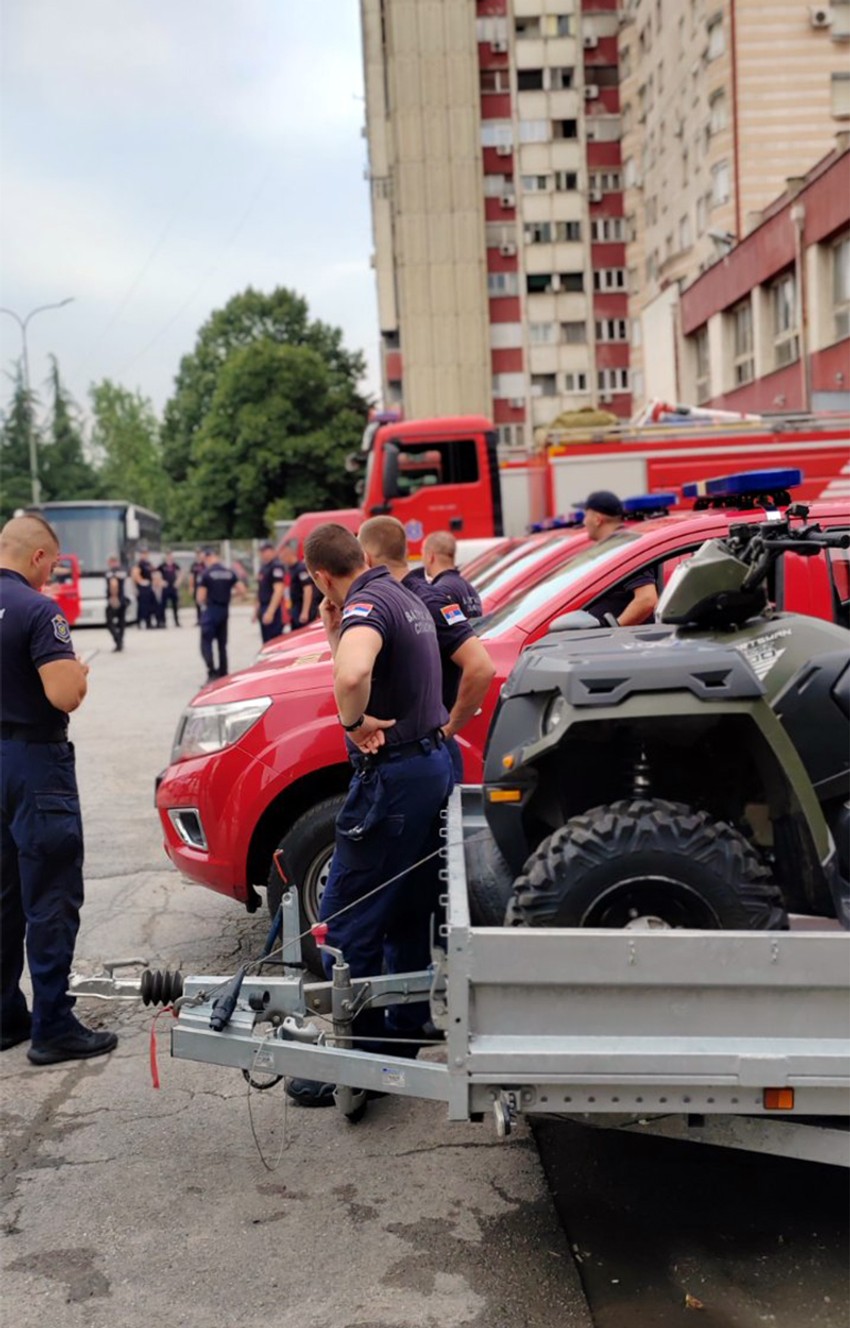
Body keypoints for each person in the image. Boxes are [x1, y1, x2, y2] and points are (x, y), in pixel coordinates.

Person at [285, 522, 454, 1108]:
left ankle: (346, 1068)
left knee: (344, 920)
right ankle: (392, 1053)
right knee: (405, 913)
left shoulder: (365, 604)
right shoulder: (405, 593)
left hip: (393, 779)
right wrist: (336, 636)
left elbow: (356, 675)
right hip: (429, 766)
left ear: (321, 576)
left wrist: (354, 725)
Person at [0, 514, 118, 1065]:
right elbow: (64, 695)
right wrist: (80, 675)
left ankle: (4, 1017)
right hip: (34, 762)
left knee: (2, 896)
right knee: (49, 894)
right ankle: (53, 1026)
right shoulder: (39, 610)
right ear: (40, 558)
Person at [359, 517, 495, 784]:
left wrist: (449, 728)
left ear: (367, 558)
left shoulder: (429, 600)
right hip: (406, 753)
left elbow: (481, 667)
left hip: (425, 750)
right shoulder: (400, 597)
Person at [582, 490, 659, 625]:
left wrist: (615, 629)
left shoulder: (626, 548)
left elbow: (647, 599)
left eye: (586, 515)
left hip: (624, 643)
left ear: (597, 519)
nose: (584, 522)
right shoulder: (614, 548)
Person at [197, 546, 245, 681]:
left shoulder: (206, 574)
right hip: (224, 610)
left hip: (211, 610)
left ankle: (211, 671)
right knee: (222, 644)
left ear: (207, 557)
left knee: (206, 642)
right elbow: (242, 590)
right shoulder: (229, 572)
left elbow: (200, 597)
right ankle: (223, 672)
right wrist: (230, 596)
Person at [422, 530, 483, 619]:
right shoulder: (469, 589)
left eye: (423, 554)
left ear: (430, 556)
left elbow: (453, 630)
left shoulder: (440, 591)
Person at [281, 540, 318, 631]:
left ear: (289, 555)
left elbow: (308, 589)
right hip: (294, 607)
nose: (282, 560)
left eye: (283, 557)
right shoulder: (291, 569)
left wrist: (305, 611)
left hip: (301, 606)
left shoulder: (300, 569)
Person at [254, 541, 286, 642]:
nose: (263, 554)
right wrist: (256, 611)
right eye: (262, 551)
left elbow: (278, 590)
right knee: (266, 640)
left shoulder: (276, 566)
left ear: (272, 551)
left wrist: (270, 612)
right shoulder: (263, 567)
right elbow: (260, 590)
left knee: (274, 640)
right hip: (263, 606)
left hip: (272, 607)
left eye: (266, 551)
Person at [105, 554, 129, 652]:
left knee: (109, 622)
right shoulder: (122, 571)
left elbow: (113, 584)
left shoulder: (111, 572)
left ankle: (118, 640)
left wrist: (114, 597)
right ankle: (120, 641)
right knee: (121, 621)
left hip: (114, 600)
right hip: (123, 600)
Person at [132, 547, 156, 629]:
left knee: (150, 605)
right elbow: (135, 574)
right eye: (143, 553)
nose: (145, 555)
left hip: (149, 586)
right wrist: (141, 582)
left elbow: (153, 572)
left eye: (146, 553)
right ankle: (139, 622)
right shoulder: (139, 563)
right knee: (142, 606)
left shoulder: (148, 563)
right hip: (142, 587)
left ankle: (148, 622)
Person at [157, 551, 183, 627]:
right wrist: (161, 582)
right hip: (165, 588)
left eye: (171, 556)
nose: (170, 558)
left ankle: (176, 621)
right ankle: (163, 621)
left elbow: (180, 574)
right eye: (168, 556)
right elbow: (157, 574)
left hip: (173, 587)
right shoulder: (162, 566)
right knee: (163, 606)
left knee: (175, 605)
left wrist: (178, 582)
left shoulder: (175, 565)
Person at [189, 548, 206, 625]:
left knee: (206, 603)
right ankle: (199, 619)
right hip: (197, 586)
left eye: (199, 553)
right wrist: (191, 587)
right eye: (197, 554)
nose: (198, 555)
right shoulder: (194, 565)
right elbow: (191, 577)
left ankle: (205, 619)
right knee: (198, 604)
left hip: (205, 586)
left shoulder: (205, 564)